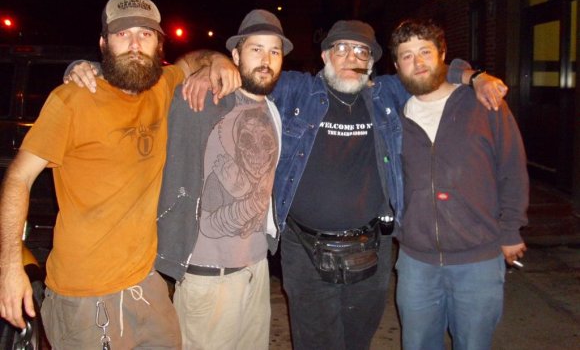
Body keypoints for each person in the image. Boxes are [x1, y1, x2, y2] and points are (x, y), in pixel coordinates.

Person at [181, 19, 508, 350]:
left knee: (357, 340)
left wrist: (475, 76)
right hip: (304, 248)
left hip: (371, 248)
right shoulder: (296, 89)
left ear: (371, 62)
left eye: (361, 51)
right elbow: (252, 73)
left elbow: (429, 67)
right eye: (342, 48)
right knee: (315, 342)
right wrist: (218, 61)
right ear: (325, 57)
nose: (352, 57)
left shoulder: (385, 94)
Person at [0, 0, 200, 349]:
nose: (135, 44)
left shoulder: (161, 88)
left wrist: (222, 65)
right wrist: (9, 266)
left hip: (145, 284)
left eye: (146, 34)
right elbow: (18, 177)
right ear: (104, 43)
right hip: (84, 297)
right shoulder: (72, 101)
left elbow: (197, 60)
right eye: (123, 34)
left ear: (159, 45)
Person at [390, 19, 528, 350]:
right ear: (396, 66)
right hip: (416, 261)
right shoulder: (392, 114)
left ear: (443, 55)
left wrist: (511, 230)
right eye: (407, 56)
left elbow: (512, 168)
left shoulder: (483, 103)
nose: (418, 62)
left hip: (478, 258)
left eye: (425, 51)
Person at [155, 9, 289, 349]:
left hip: (256, 270)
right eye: (256, 49)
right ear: (235, 55)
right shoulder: (201, 97)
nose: (266, 59)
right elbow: (139, 89)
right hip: (207, 276)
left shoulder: (273, 110)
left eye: (274, 51)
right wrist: (86, 70)